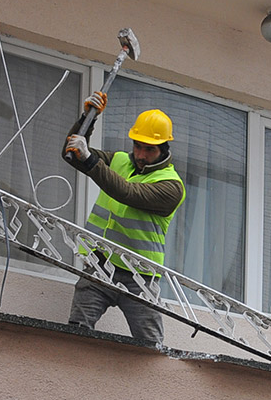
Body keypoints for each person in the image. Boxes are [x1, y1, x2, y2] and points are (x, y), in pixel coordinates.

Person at [61, 91, 185, 345]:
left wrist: (90, 159)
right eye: (137, 146)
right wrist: (87, 119)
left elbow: (126, 192)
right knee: (76, 333)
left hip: (139, 275)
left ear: (163, 149)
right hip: (99, 264)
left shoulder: (171, 186)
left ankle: (155, 385)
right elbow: (73, 154)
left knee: (150, 346)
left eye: (149, 149)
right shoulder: (120, 160)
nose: (140, 154)